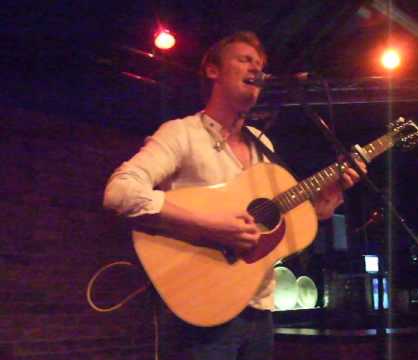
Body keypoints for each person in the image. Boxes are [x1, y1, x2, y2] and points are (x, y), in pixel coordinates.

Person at [103, 31, 365, 360]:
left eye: (260, 64)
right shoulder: (182, 133)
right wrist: (209, 226)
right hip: (200, 306)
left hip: (259, 308)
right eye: (244, 60)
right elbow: (120, 191)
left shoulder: (262, 143)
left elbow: (275, 225)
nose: (256, 68)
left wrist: (323, 205)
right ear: (213, 71)